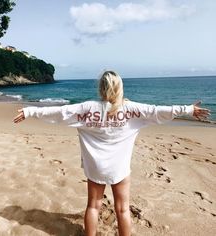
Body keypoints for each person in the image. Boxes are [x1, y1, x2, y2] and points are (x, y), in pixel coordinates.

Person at [13, 70, 210, 236]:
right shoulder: (132, 109)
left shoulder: (88, 108)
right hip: (119, 168)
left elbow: (61, 112)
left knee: (93, 206)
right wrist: (188, 109)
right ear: (120, 88)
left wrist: (30, 111)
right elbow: (157, 111)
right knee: (123, 209)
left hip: (95, 167)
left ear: (101, 89)